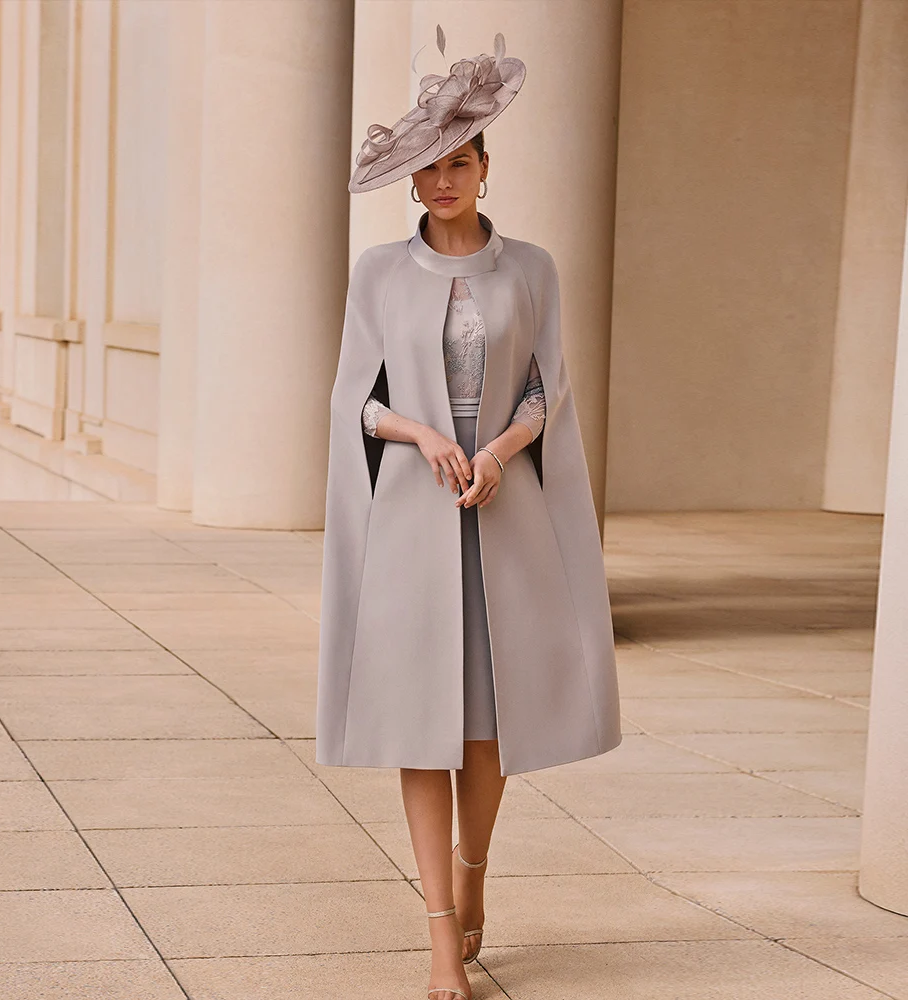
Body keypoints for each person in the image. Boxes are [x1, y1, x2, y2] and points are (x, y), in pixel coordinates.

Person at [316, 29, 622, 1000]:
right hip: (413, 513)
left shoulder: (531, 270)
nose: (443, 181)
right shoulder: (375, 274)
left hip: (500, 514)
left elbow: (549, 393)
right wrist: (416, 432)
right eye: (428, 169)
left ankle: (473, 867)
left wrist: (494, 451)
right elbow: (351, 401)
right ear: (410, 183)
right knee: (420, 726)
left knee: (488, 731)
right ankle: (442, 937)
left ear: (486, 167)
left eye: (459, 162)